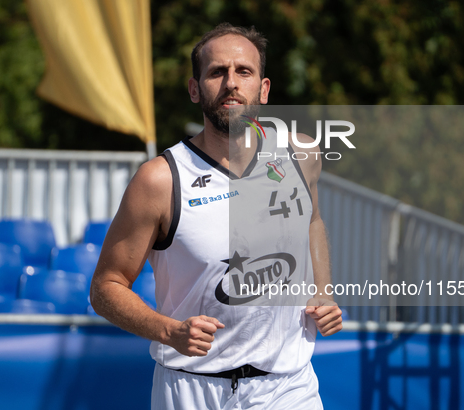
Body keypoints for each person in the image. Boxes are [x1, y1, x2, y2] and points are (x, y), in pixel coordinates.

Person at [90, 23, 343, 410]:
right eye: (216, 72)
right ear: (195, 89)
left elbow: (312, 221)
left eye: (244, 71)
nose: (231, 83)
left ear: (264, 88)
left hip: (288, 387)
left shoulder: (300, 153)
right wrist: (169, 331)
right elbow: (106, 287)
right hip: (191, 388)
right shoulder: (160, 180)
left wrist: (322, 289)